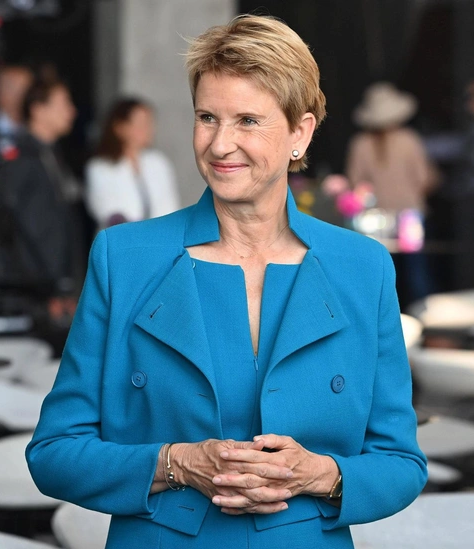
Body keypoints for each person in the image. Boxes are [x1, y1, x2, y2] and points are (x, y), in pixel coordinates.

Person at [27, 14, 426, 549]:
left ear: (300, 132)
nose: (219, 144)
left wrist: (319, 475)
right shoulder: (124, 258)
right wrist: (175, 463)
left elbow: (400, 461)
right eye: (207, 117)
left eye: (248, 121)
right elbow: (53, 452)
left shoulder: (363, 266)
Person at [0, 74, 83, 321]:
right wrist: (51, 288)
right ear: (38, 109)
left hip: (56, 288)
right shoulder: (21, 158)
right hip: (35, 294)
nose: (72, 111)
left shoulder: (52, 155)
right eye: (64, 103)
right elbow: (27, 228)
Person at [347, 82, 438, 303]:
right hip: (410, 213)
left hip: (375, 217)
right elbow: (423, 178)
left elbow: (355, 181)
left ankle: (383, 316)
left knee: (380, 272)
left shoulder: (360, 143)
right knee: (416, 267)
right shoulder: (409, 139)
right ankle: (421, 311)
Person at [85, 98, 180, 228]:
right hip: (120, 237)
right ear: (120, 127)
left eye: (150, 123)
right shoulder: (100, 167)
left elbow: (170, 206)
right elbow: (106, 210)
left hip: (159, 237)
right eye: (141, 124)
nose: (149, 129)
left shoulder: (159, 162)